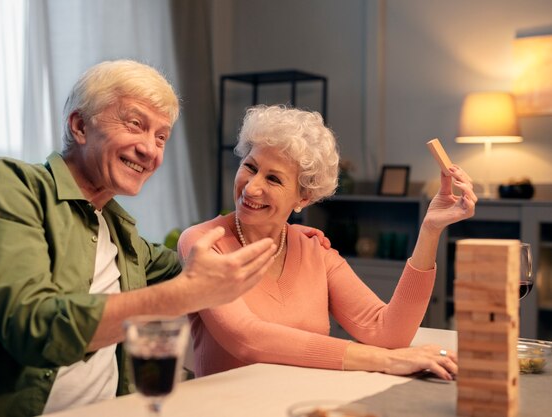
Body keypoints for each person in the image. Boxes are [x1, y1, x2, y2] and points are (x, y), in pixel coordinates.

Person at [0, 60, 282, 417]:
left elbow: (207, 266)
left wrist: (287, 233)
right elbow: (33, 327)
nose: (150, 149)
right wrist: (183, 294)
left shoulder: (119, 232)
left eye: (161, 137)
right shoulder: (7, 185)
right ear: (80, 126)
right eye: (135, 125)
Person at [178, 104, 478, 381]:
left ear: (303, 198)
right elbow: (246, 338)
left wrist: (430, 230)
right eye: (251, 167)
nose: (252, 188)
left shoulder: (313, 250)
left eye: (274, 179)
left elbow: (387, 332)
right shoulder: (203, 242)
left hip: (306, 404)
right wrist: (386, 360)